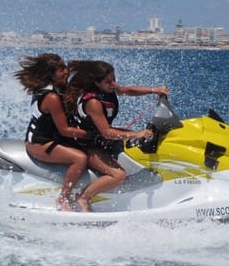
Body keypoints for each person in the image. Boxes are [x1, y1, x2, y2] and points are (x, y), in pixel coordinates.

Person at [64, 60, 169, 212]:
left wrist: (154, 90)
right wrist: (136, 134)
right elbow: (106, 132)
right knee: (118, 175)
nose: (113, 84)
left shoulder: (109, 88)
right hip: (88, 146)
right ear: (97, 83)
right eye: (108, 81)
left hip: (102, 140)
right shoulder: (93, 102)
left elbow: (128, 90)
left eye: (114, 78)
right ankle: (83, 197)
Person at [13, 53, 91, 212]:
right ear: (50, 74)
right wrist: (92, 134)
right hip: (40, 144)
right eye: (61, 69)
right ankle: (63, 198)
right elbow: (65, 130)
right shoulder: (51, 97)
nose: (66, 72)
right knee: (80, 158)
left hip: (52, 138)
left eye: (65, 68)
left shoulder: (56, 89)